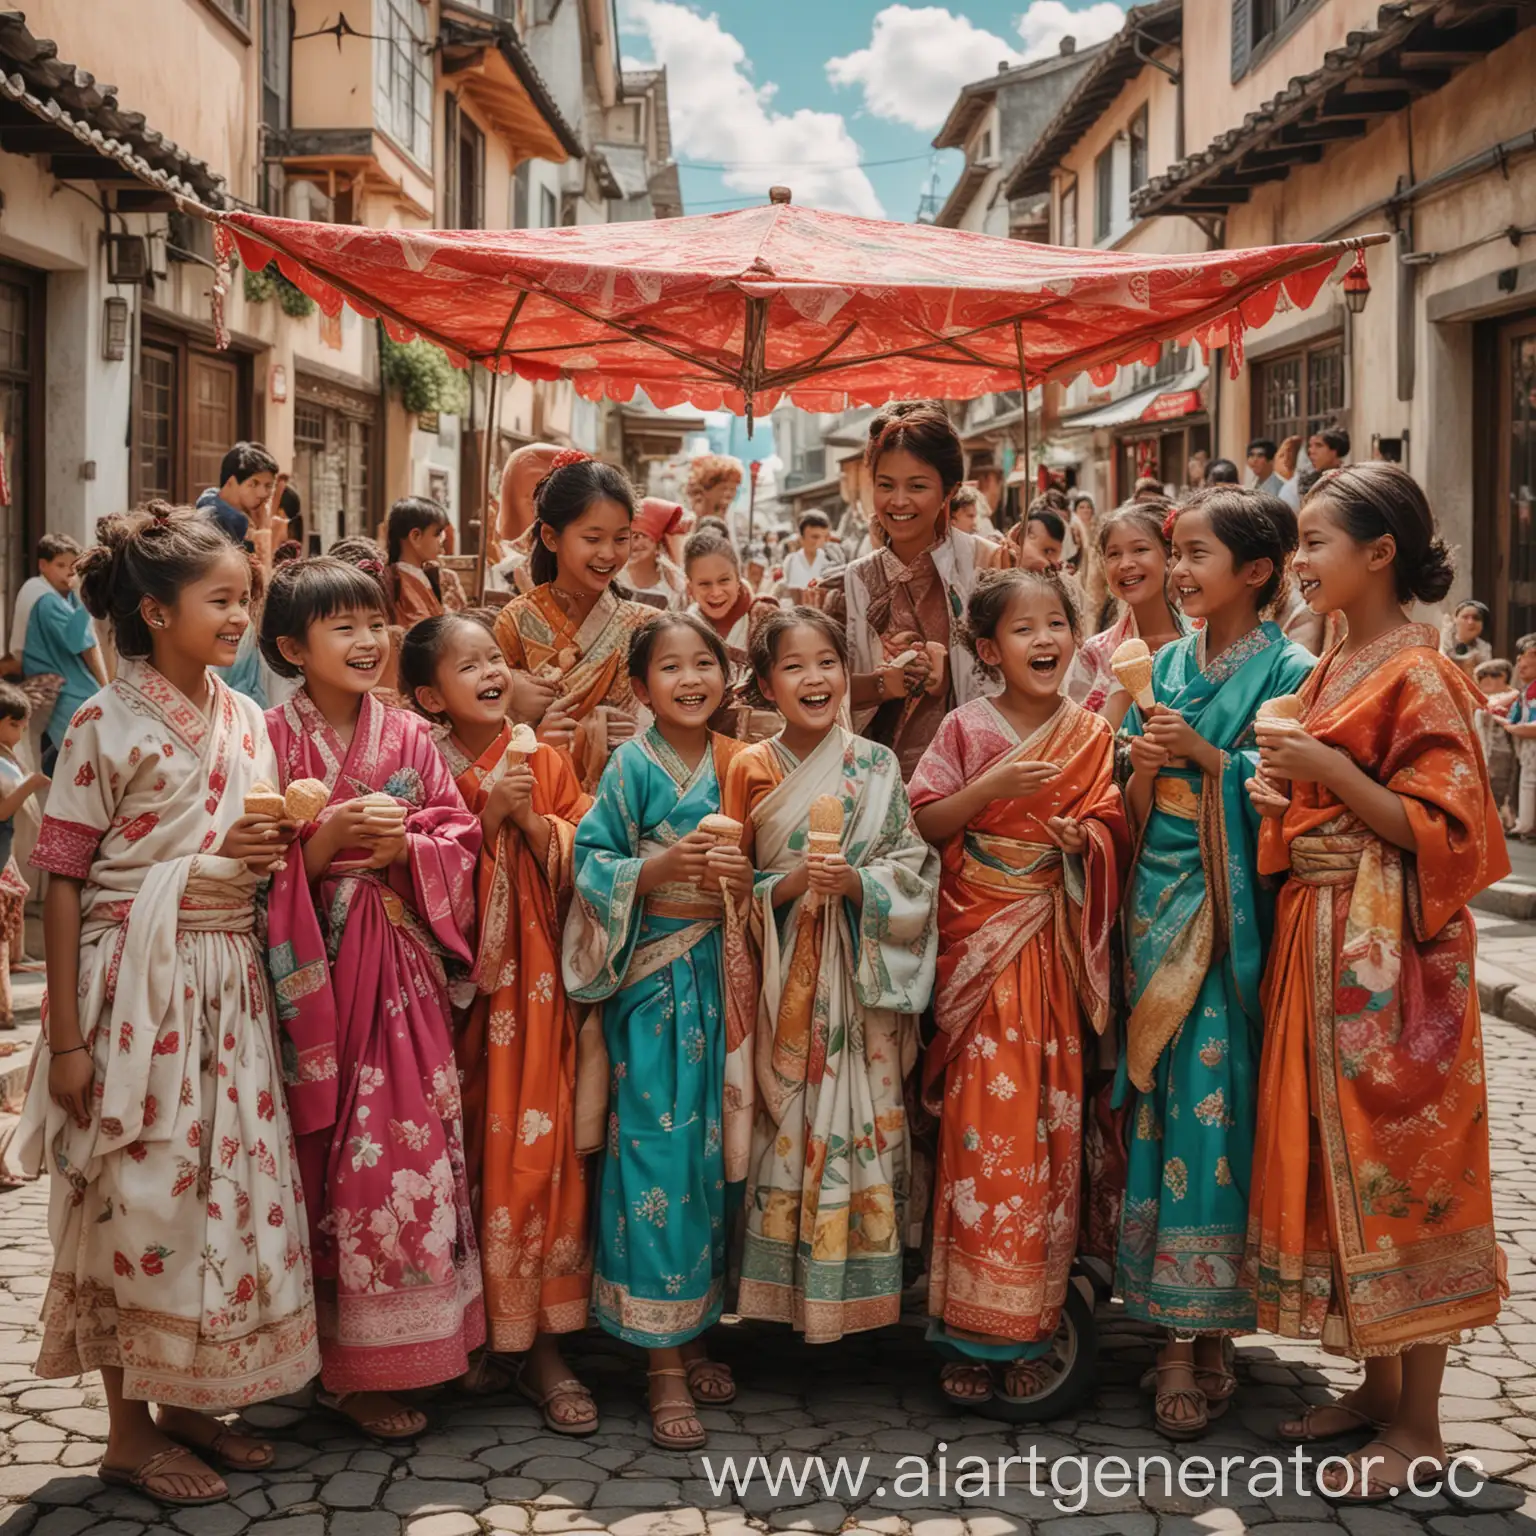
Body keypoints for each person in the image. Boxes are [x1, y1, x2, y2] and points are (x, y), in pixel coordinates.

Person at [13, 506, 316, 1506]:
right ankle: (127, 1432)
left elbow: (246, 844)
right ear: (154, 609)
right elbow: (62, 878)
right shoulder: (106, 721)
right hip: (133, 988)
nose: (240, 617)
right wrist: (64, 1040)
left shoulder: (245, 717)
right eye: (220, 600)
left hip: (228, 983)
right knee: (132, 1194)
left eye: (246, 599)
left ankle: (191, 1396)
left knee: (219, 1194)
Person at [1246, 463, 1507, 1503]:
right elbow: (1321, 798)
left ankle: (1423, 1429)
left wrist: (1332, 777)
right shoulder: (1331, 660)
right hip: (1321, 934)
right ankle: (1375, 1387)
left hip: (1395, 958)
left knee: (1404, 1169)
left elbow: (1455, 831)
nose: (1300, 562)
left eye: (1315, 542)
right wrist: (1284, 792)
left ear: (1379, 551)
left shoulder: (1423, 672)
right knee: (1338, 1162)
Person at [260, 558, 483, 1441]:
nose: (366, 641)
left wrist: (406, 850)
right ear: (291, 648)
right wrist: (319, 851)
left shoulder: (410, 739)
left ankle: (414, 1344)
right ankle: (339, 1366)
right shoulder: (269, 738)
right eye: (342, 627)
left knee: (409, 1144)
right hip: (312, 981)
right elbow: (246, 858)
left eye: (374, 623)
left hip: (401, 968)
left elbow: (456, 832)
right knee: (328, 1154)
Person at [1115, 487, 1315, 1440]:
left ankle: (1210, 1333)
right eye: (1174, 553)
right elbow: (1131, 790)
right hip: (1159, 906)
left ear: (1256, 571)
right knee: (1158, 1108)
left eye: (1196, 555)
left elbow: (1292, 802)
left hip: (1233, 919)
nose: (1179, 571)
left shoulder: (1292, 668)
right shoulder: (1158, 660)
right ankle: (1167, 1336)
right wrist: (1151, 766)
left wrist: (1206, 755)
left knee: (1217, 1106)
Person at [908, 570, 1129, 1408]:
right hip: (978, 955)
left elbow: (1118, 826)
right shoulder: (965, 728)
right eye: (1022, 629)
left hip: (1058, 955)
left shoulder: (1093, 733)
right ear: (986, 649)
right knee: (982, 1137)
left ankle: (1035, 1323)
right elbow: (923, 821)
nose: (1044, 640)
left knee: (1053, 1133)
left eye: (1056, 624)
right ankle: (969, 1329)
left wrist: (1089, 841)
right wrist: (988, 791)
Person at [400, 613, 599, 1434]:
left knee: (536, 1152)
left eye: (495, 659)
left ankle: (544, 1342)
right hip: (450, 997)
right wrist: (482, 819)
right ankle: (467, 1335)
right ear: (427, 697)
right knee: (460, 1153)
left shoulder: (543, 758)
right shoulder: (420, 768)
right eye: (467, 664)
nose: (489, 672)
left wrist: (533, 822)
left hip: (538, 990)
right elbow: (407, 873)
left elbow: (592, 850)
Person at [563, 612, 755, 1448]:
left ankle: (698, 1323)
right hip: (652, 984)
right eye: (669, 668)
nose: (690, 679)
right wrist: (658, 869)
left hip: (726, 971)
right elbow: (590, 860)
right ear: (639, 690)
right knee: (656, 1148)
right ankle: (662, 1364)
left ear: (727, 676)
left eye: (704, 663)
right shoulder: (631, 766)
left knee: (716, 1157)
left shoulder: (742, 763)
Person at [722, 608, 938, 1342]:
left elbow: (911, 866)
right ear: (763, 686)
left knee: (863, 1120)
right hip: (785, 983)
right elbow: (732, 887)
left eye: (827, 663)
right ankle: (781, 1290)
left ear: (847, 674)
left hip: (861, 983)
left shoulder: (875, 765)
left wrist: (858, 886)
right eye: (792, 666)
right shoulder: (749, 768)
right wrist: (782, 889)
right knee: (782, 1129)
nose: (814, 678)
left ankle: (858, 1287)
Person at [827, 402, 997, 780]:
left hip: (975, 770)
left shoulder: (988, 563)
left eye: (917, 486)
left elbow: (1016, 675)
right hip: (882, 774)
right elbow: (839, 694)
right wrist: (886, 683)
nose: (898, 501)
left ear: (949, 491)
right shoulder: (857, 579)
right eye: (885, 485)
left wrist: (950, 674)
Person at [492, 452, 649, 793]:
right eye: (592, 539)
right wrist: (521, 714)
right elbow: (481, 727)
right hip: (540, 791)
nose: (608, 553)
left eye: (621, 539)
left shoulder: (645, 627)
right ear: (551, 537)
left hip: (626, 793)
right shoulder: (514, 622)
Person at [1064, 504, 1188, 727]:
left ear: (1169, 557)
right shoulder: (1095, 654)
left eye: (1140, 549)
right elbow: (1075, 738)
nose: (1125, 564)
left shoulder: (1205, 642)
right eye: (1113, 554)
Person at [22, 532, 108, 773]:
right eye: (60, 565)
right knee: (79, 754)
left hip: (67, 686)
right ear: (43, 565)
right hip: (63, 689)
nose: (67, 573)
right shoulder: (47, 601)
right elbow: (77, 641)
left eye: (72, 567)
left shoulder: (63, 597)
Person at [684, 530, 780, 741]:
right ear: (689, 587)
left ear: (738, 579)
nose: (716, 592)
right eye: (704, 584)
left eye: (724, 580)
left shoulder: (764, 616)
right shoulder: (684, 629)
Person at [0, 684, 45, 1027]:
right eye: (15, 724)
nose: (21, 732)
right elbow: (2, 811)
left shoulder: (7, 756)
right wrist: (31, 785)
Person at [384, 496, 466, 627]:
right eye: (437, 534)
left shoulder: (417, 575)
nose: (442, 541)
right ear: (415, 536)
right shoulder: (402, 581)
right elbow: (422, 629)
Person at [197, 442, 279, 550]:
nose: (263, 493)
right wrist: (263, 531)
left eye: (268, 486)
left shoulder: (243, 517)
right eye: (254, 484)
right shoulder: (217, 521)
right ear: (231, 482)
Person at [1474, 657, 1518, 829]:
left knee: (1498, 791)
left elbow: (1490, 708)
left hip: (1502, 750)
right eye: (1481, 676)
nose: (1484, 681)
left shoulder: (1513, 695)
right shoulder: (1482, 697)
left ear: (1502, 676)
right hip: (1483, 751)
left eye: (1488, 675)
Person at [625, 498, 689, 611]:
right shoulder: (613, 578)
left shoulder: (675, 585)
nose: (634, 544)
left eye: (642, 536)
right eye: (630, 535)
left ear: (658, 543)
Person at [1505, 634, 1536, 839]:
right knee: (1527, 781)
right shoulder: (1525, 689)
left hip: (1531, 739)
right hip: (1527, 743)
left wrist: (1514, 728)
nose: (1521, 662)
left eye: (1530, 655)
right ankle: (1525, 823)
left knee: (1530, 782)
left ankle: (1525, 824)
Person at [1279, 426, 1350, 510]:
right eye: (1310, 446)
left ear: (1335, 451)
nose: (1311, 451)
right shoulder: (1299, 484)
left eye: (1319, 445)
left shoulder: (1350, 480)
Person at [1440, 599, 1492, 679]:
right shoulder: (1443, 643)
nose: (1471, 622)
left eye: (1476, 618)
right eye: (1465, 617)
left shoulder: (1484, 648)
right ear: (1455, 619)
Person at [781, 511, 834, 590]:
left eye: (824, 537)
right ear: (801, 538)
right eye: (815, 537)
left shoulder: (830, 561)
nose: (820, 542)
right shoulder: (790, 561)